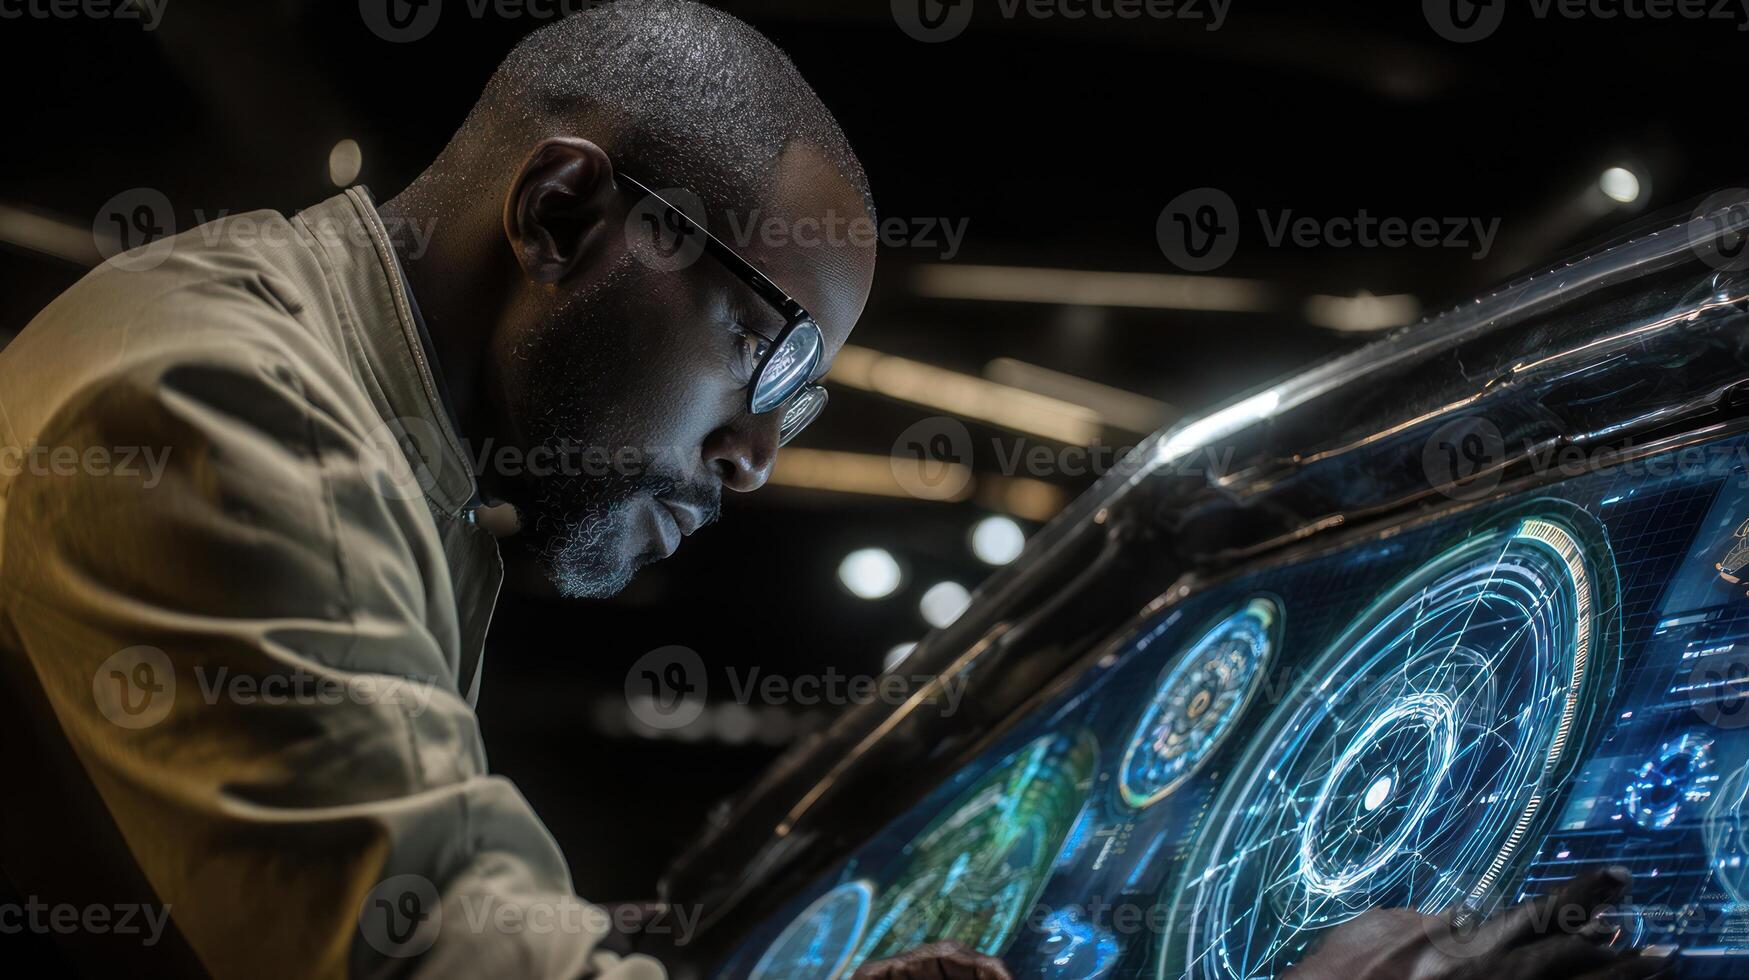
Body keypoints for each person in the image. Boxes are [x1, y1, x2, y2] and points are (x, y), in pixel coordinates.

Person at [0, 3, 1680, 978]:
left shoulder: (337, 399)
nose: (759, 455)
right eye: (770, 358)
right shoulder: (209, 409)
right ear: (569, 214)